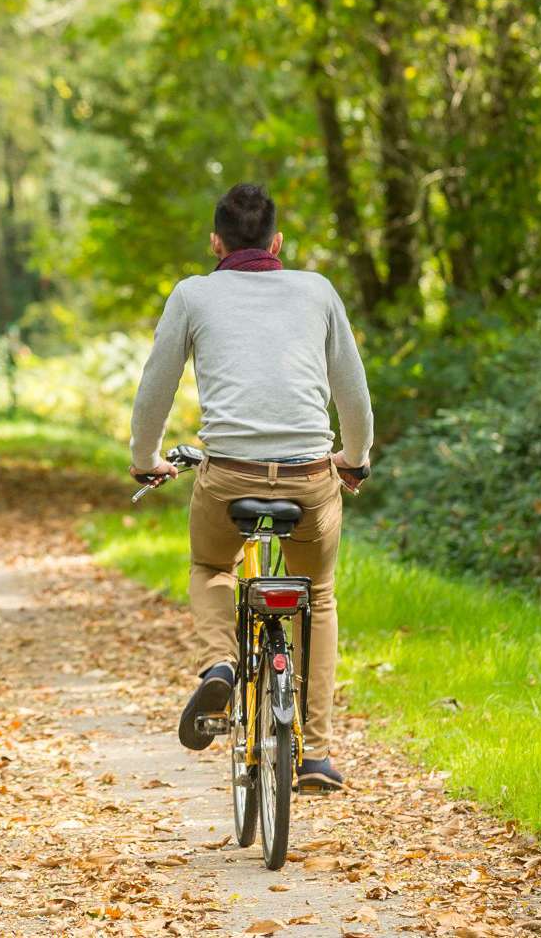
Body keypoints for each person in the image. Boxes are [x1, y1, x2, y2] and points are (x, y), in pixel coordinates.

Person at [129, 182, 372, 793]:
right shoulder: (317, 290)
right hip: (311, 477)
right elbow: (352, 390)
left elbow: (156, 385)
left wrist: (145, 458)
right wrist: (356, 458)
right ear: (278, 242)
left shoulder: (193, 295)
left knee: (211, 564)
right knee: (316, 593)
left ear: (216, 242)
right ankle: (314, 753)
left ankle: (220, 664)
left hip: (229, 472)